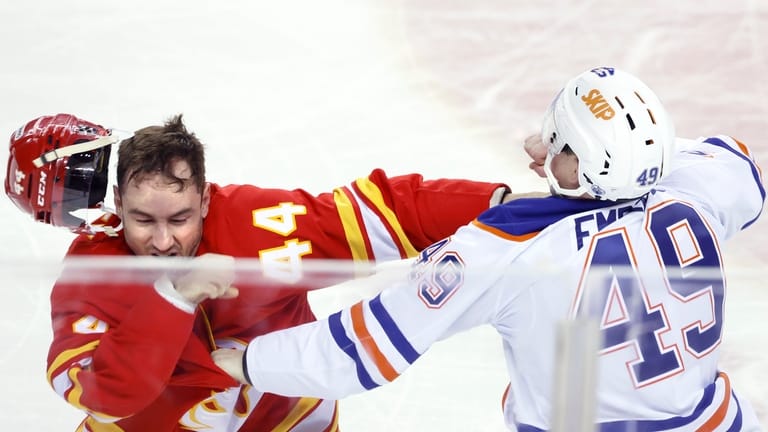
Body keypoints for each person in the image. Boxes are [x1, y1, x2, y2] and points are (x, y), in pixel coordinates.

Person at [211, 67, 765, 431]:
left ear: (590, 163)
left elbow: (362, 353)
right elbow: (738, 162)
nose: (540, 144)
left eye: (561, 141)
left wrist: (251, 361)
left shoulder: (507, 248)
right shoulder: (702, 189)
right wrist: (628, 155)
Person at [4, 113, 514, 431]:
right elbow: (102, 394)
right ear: (118, 205)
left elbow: (387, 212)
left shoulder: (262, 224)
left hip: (287, 421)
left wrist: (508, 208)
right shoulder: (94, 272)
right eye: (143, 221)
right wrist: (174, 298)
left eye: (180, 219)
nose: (163, 242)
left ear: (205, 198)